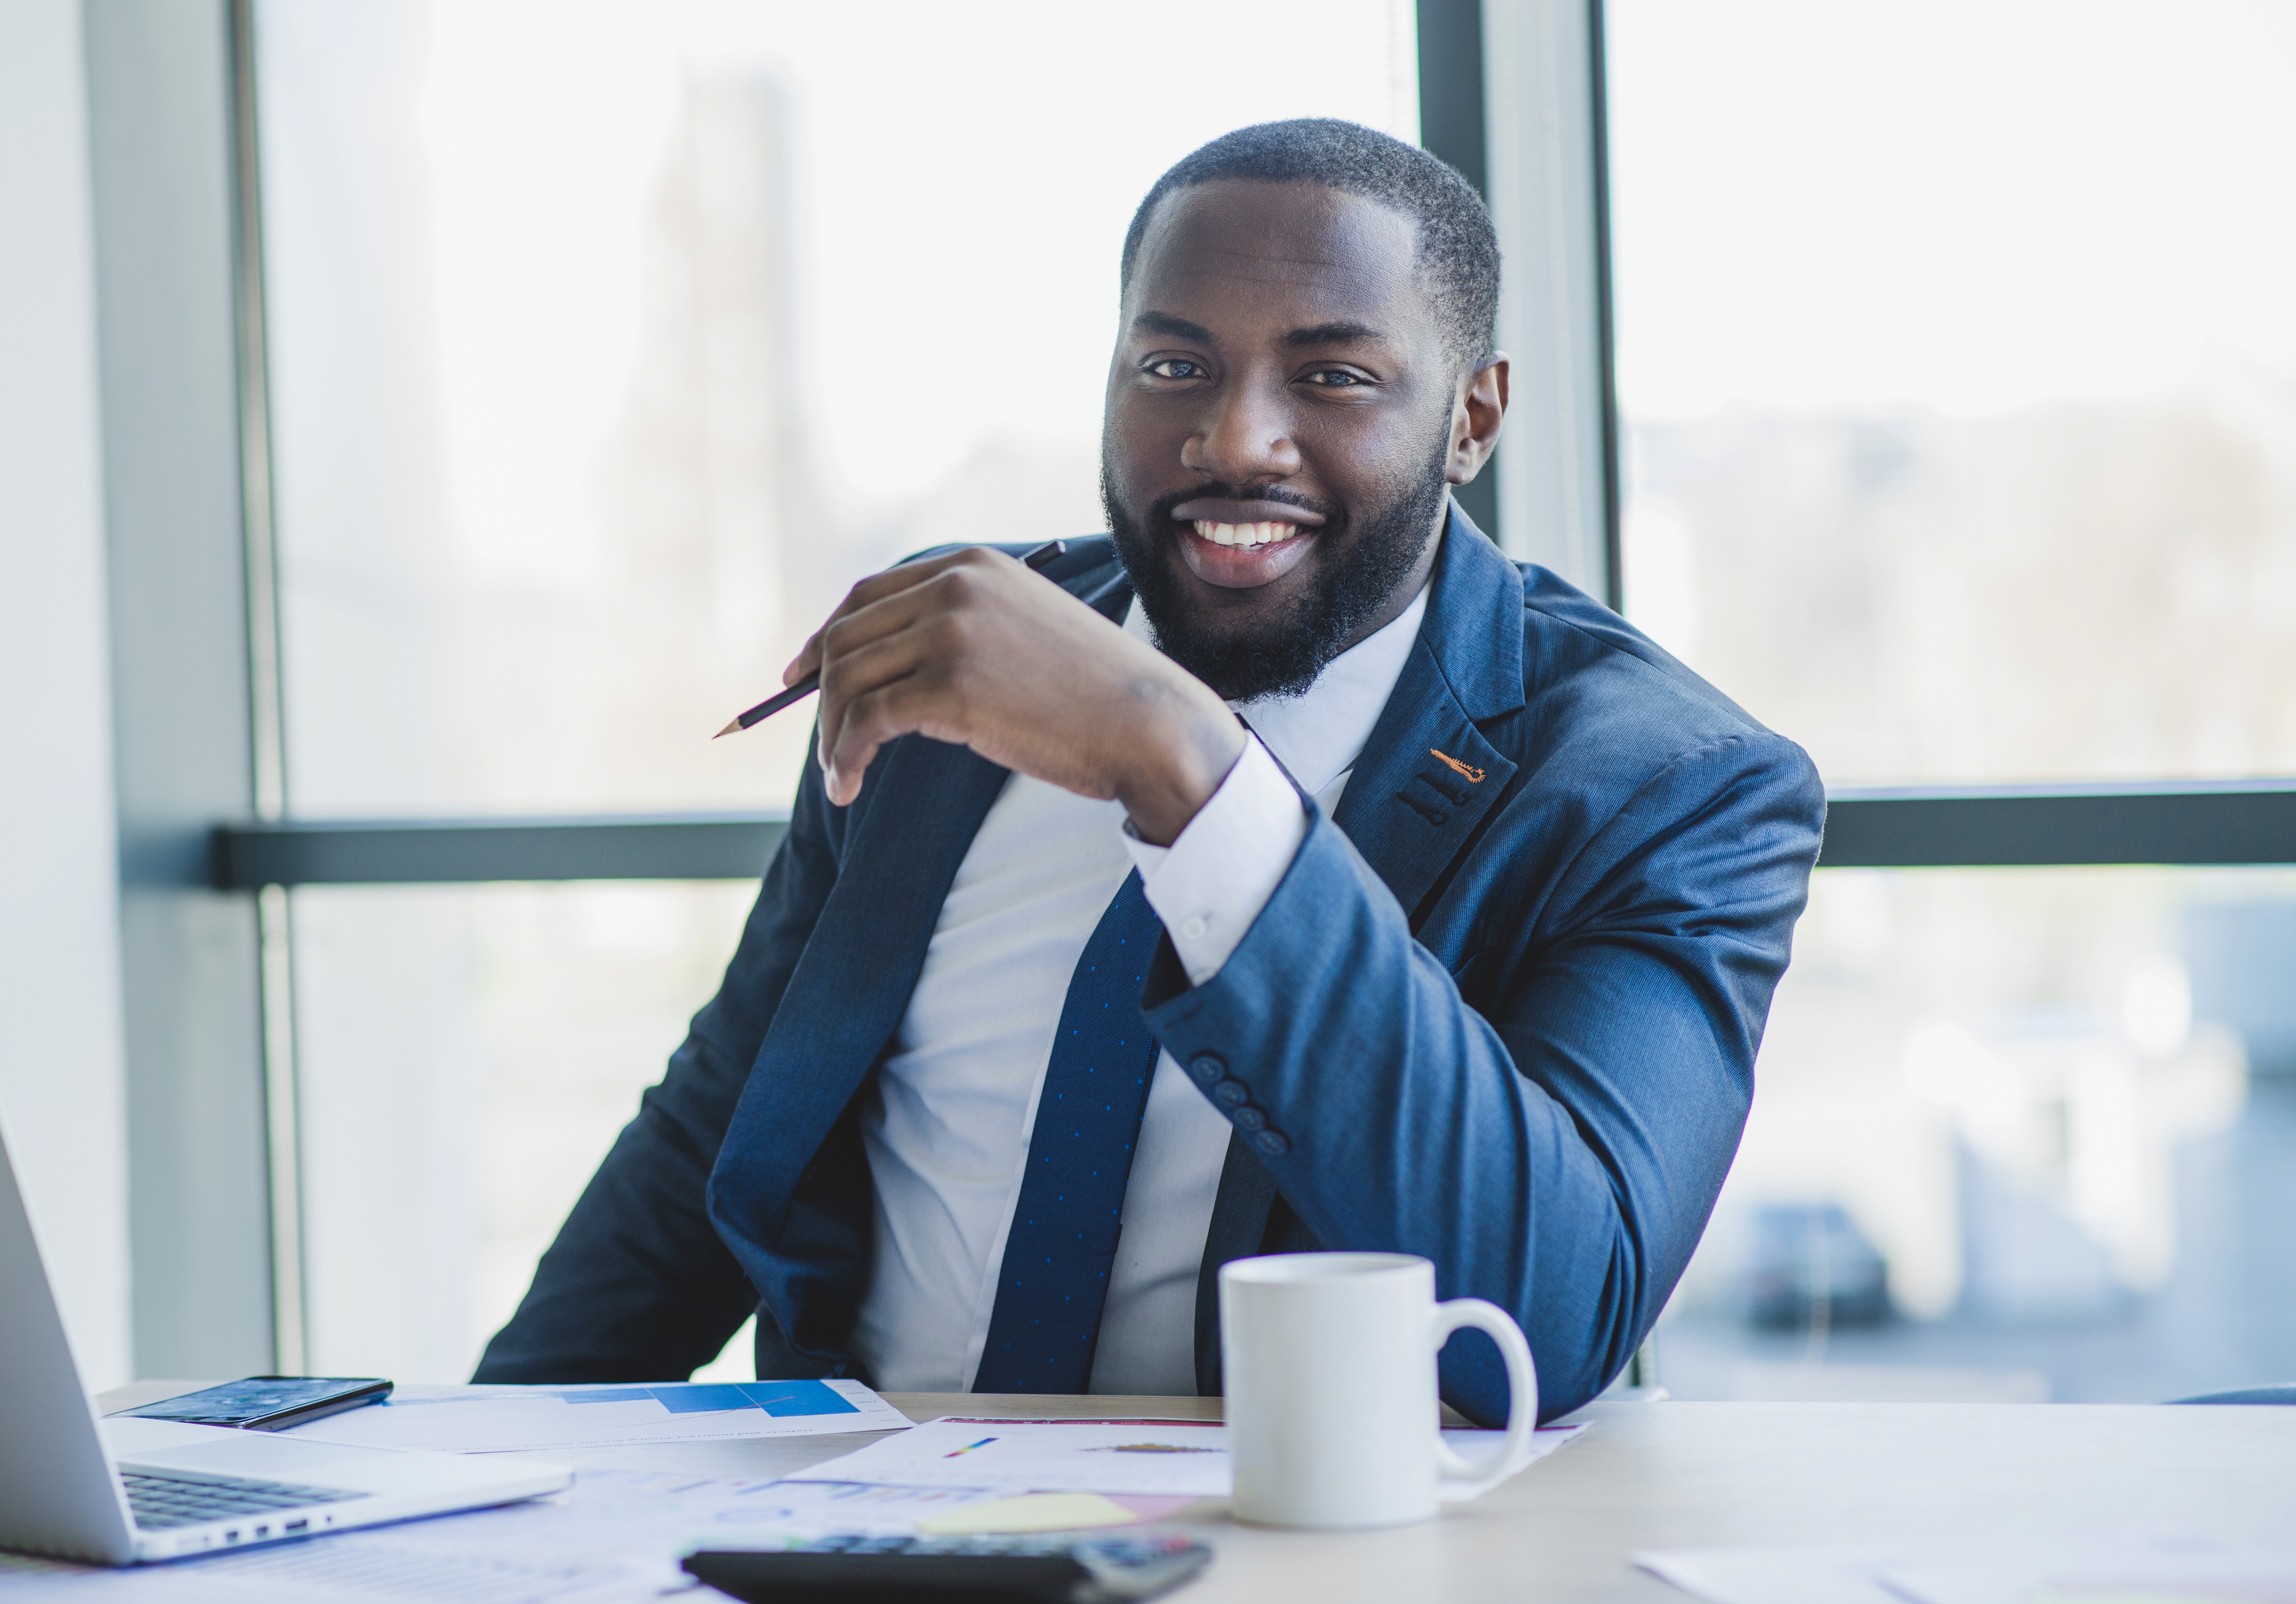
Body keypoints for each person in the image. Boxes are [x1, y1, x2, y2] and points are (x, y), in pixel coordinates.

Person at [475, 119, 1824, 1423]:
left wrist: (1188, 773)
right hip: (861, 1529)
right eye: (1173, 367)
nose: (1237, 440)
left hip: (1314, 1554)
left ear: (1472, 419)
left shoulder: (1671, 786)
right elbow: (719, 1128)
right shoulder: (953, 660)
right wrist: (474, 1477)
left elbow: (1558, 1305)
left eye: (1333, 376)